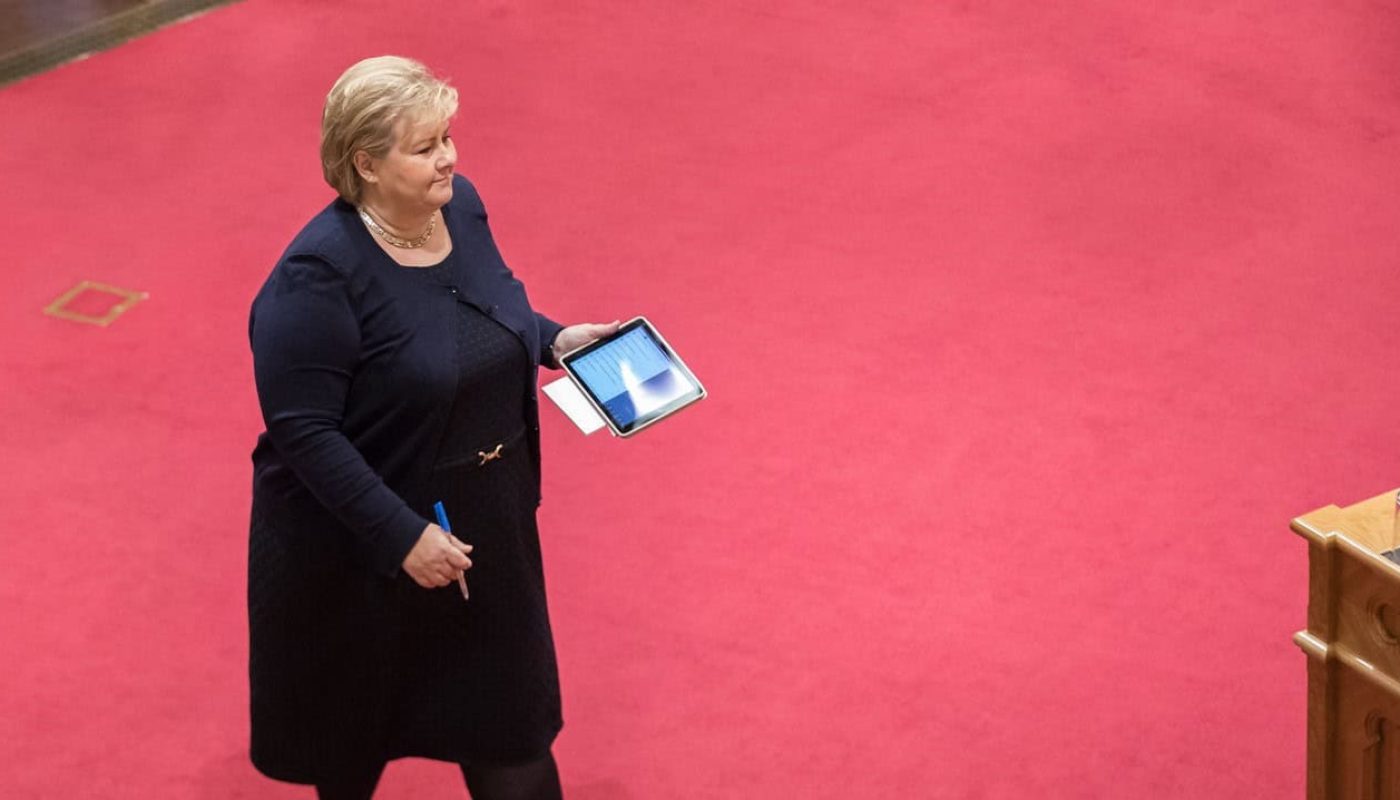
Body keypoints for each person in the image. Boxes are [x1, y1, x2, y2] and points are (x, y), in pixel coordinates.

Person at [247, 55, 616, 800]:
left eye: (447, 136)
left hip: (483, 524)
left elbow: (476, 313)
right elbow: (303, 432)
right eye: (424, 147)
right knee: (353, 744)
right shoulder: (316, 277)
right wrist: (400, 535)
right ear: (366, 164)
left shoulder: (460, 206)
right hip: (358, 547)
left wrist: (554, 342)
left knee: (509, 729)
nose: (449, 157)